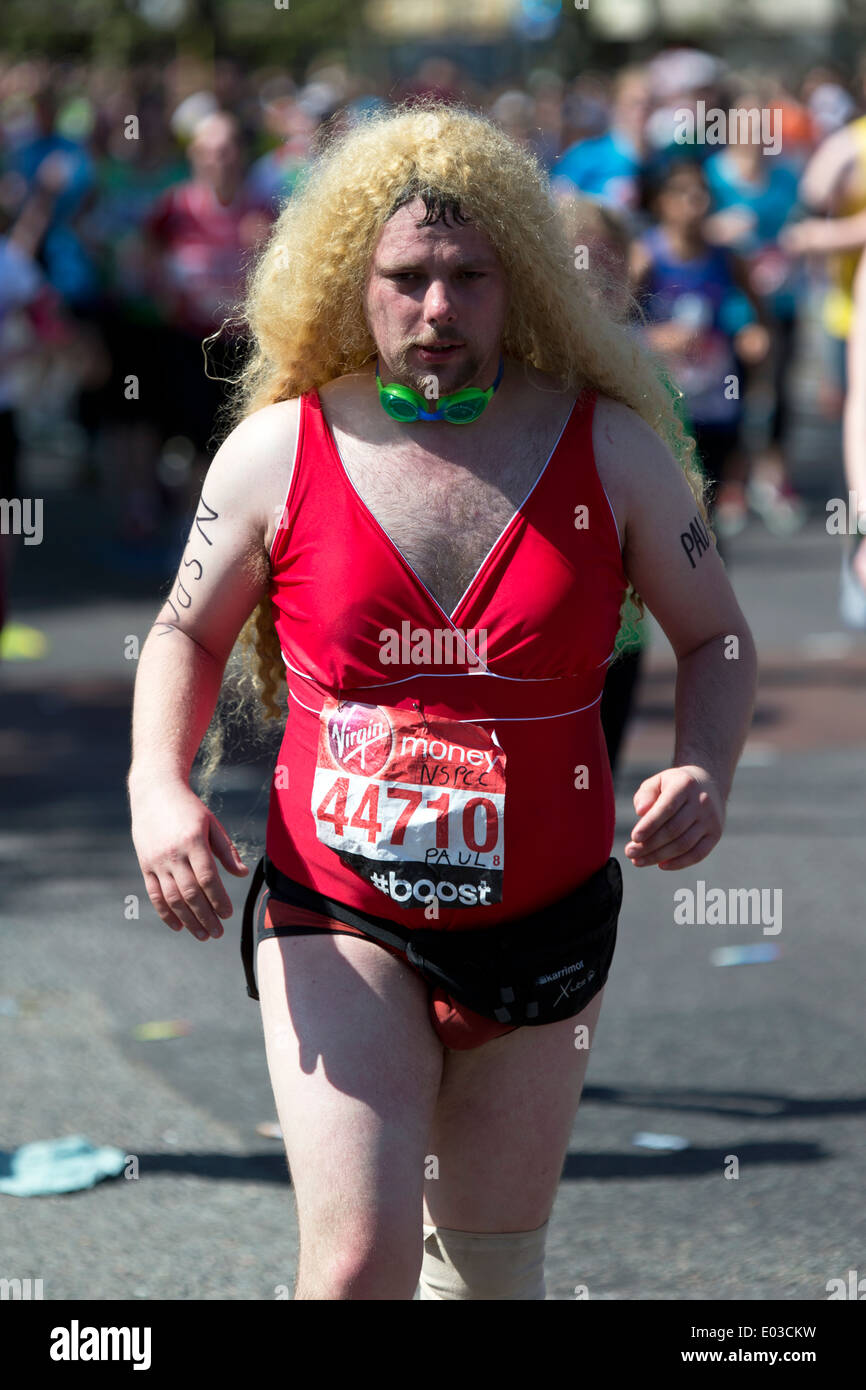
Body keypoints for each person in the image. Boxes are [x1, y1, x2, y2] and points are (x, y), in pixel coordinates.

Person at [128, 103, 758, 1301]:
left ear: (516, 281)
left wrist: (704, 767)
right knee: (358, 1267)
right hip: (339, 907)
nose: (435, 309)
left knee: (485, 1280)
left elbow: (716, 632)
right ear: (345, 283)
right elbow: (183, 629)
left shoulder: (613, 450)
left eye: (468, 277)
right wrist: (157, 785)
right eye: (405, 276)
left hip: (548, 921)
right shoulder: (276, 451)